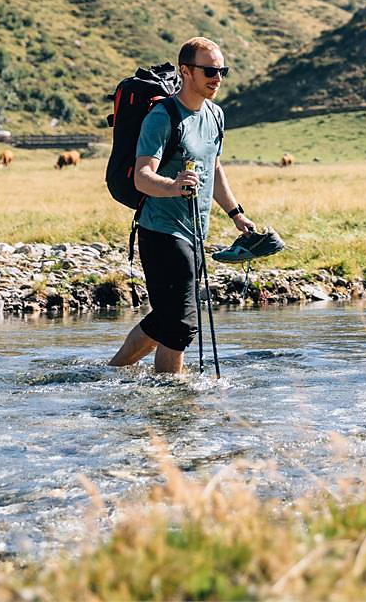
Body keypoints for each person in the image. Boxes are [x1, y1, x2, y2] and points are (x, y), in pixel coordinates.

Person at [108, 37, 256, 374]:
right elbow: (142, 177)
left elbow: (213, 168)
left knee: (167, 318)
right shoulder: (162, 118)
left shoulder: (216, 115)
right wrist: (174, 186)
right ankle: (172, 398)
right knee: (182, 324)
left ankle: (113, 371)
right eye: (209, 71)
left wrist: (236, 214)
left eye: (222, 71)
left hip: (195, 232)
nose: (217, 77)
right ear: (185, 71)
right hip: (161, 232)